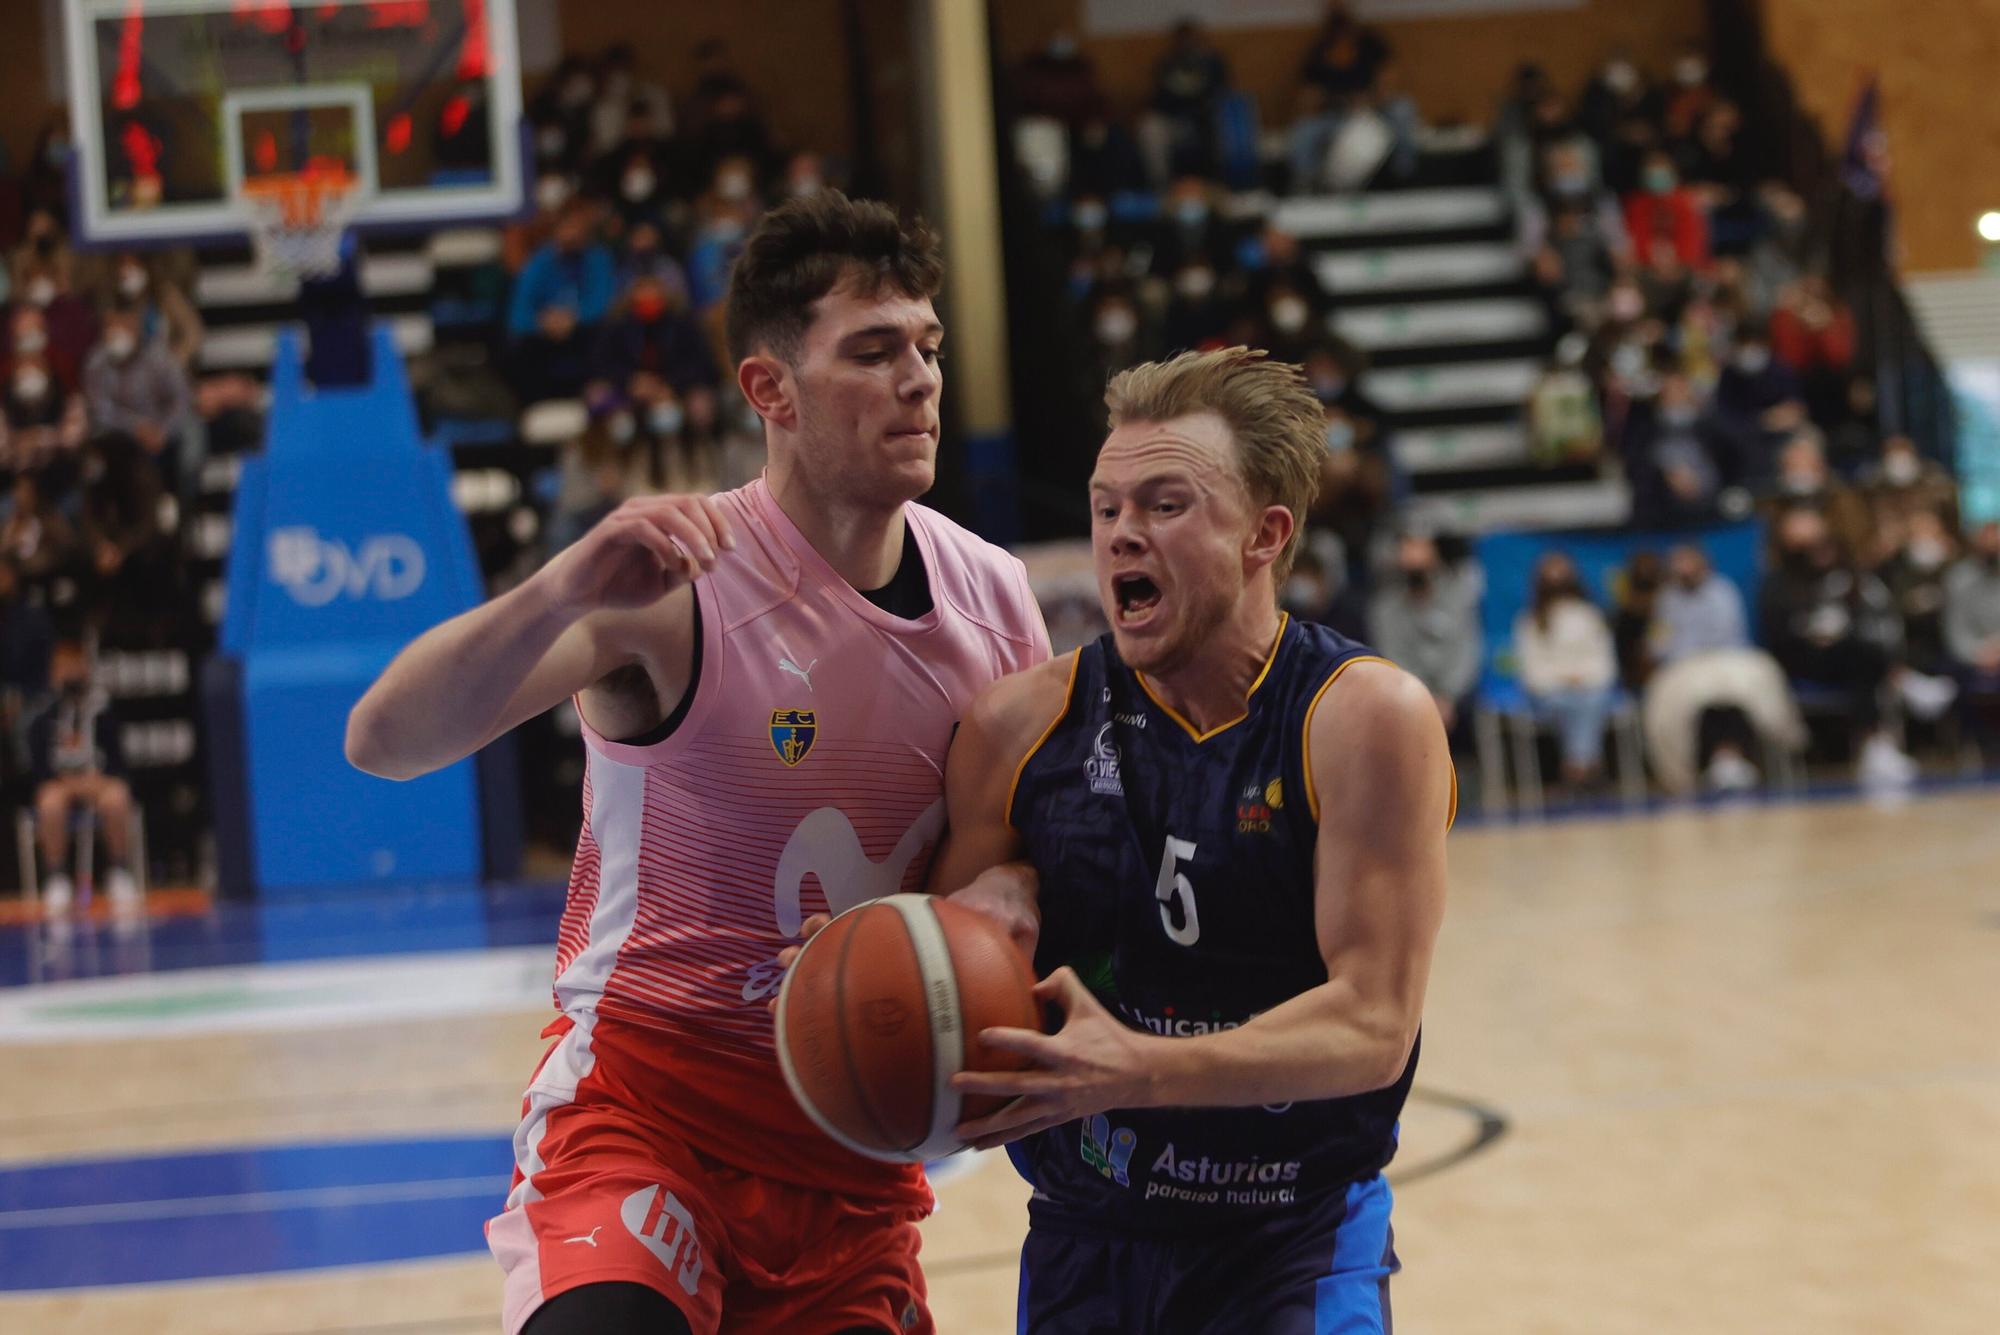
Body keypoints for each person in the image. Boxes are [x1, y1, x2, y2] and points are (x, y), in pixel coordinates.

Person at [346, 190, 1050, 1335]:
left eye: (925, 346)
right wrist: (559, 587)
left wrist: (1012, 889)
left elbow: (1023, 853)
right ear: (768, 390)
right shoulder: (674, 587)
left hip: (850, 1154)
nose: (918, 379)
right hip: (643, 1115)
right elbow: (383, 742)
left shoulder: (996, 600)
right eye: (870, 353)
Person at [914, 347, 1451, 1333]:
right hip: (1086, 1237)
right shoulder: (1014, 728)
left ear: (1264, 533)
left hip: (1295, 1235)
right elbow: (935, 1032)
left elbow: (1373, 1024)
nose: (1121, 534)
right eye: (1106, 506)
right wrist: (962, 925)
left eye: (1164, 505)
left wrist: (1139, 1068)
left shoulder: (1361, 718)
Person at [26, 638, 141, 916]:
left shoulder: (104, 712)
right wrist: (65, 782)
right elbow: (38, 769)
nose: (70, 674)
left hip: (97, 781)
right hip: (61, 784)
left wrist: (96, 781)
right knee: (50, 802)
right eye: (63, 668)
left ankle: (119, 870)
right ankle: (56, 875)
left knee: (116, 797)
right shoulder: (43, 716)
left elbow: (118, 763)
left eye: (74, 667)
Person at [1514, 551, 1618, 789]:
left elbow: (1604, 660)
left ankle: (1574, 768)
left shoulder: (1590, 615)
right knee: (1567, 702)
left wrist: (1583, 678)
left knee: (1590, 700)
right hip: (1551, 692)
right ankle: (1585, 766)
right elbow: (1531, 669)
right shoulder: (1530, 621)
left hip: (1589, 687)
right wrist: (1562, 679)